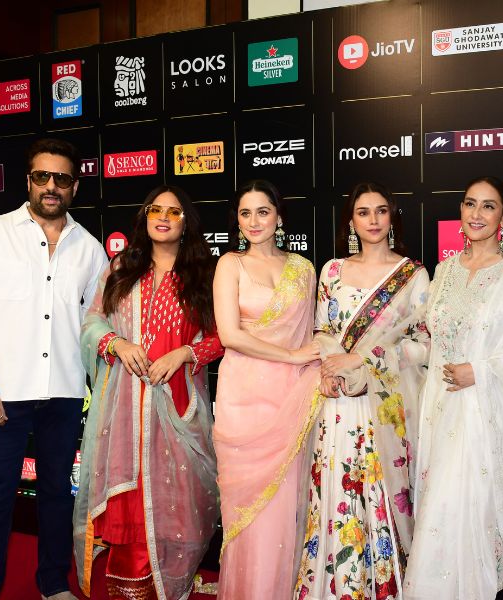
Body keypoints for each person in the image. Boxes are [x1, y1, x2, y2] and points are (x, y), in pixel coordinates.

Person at [403, 176, 503, 600]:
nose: (476, 214)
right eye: (470, 204)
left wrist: (480, 371)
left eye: (488, 206)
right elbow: (435, 342)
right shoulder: (444, 271)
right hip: (441, 412)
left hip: (486, 418)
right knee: (439, 518)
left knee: (471, 518)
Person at [73, 185, 223, 600]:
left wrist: (185, 353)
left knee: (177, 500)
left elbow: (223, 337)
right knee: (132, 500)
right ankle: (131, 587)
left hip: (177, 407)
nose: (163, 217)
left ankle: (172, 583)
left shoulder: (204, 274)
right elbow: (92, 322)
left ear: (186, 223)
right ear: (144, 217)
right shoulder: (122, 267)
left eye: (173, 212)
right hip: (123, 408)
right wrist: (116, 343)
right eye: (155, 209)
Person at [293, 182, 430, 600]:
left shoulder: (412, 275)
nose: (373, 220)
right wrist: (331, 367)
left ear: (392, 217)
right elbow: (321, 330)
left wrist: (364, 361)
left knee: (380, 491)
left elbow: (425, 344)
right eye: (363, 212)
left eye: (381, 211)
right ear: (350, 221)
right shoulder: (332, 270)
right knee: (337, 491)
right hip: (336, 404)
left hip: (383, 407)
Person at [0, 138, 107, 600]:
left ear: (75, 186)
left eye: (61, 178)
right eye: (42, 176)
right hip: (4, 392)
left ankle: (53, 583)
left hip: (64, 391)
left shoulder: (91, 250)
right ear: (28, 181)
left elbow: (97, 325)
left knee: (59, 492)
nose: (51, 186)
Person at [212, 180, 321, 599]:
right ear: (237, 221)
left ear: (279, 216)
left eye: (263, 211)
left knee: (287, 505)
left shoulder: (304, 269)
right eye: (245, 213)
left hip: (291, 398)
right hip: (243, 401)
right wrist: (292, 356)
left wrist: (306, 362)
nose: (254, 221)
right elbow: (230, 335)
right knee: (248, 512)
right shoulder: (230, 265)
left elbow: (310, 333)